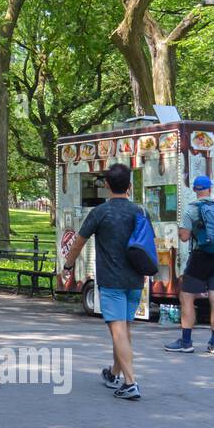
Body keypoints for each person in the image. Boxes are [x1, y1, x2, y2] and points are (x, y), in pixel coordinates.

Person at [60, 162, 146, 400]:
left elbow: (78, 241)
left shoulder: (100, 212)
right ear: (130, 185)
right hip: (136, 280)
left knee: (118, 331)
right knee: (125, 328)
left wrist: (68, 265)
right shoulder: (140, 211)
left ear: (106, 185)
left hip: (111, 280)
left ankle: (131, 382)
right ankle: (114, 373)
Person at [166, 175, 214, 355]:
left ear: (195, 190)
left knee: (187, 297)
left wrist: (182, 230)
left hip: (200, 258)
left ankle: (186, 341)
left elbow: (183, 237)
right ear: (210, 189)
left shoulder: (191, 209)